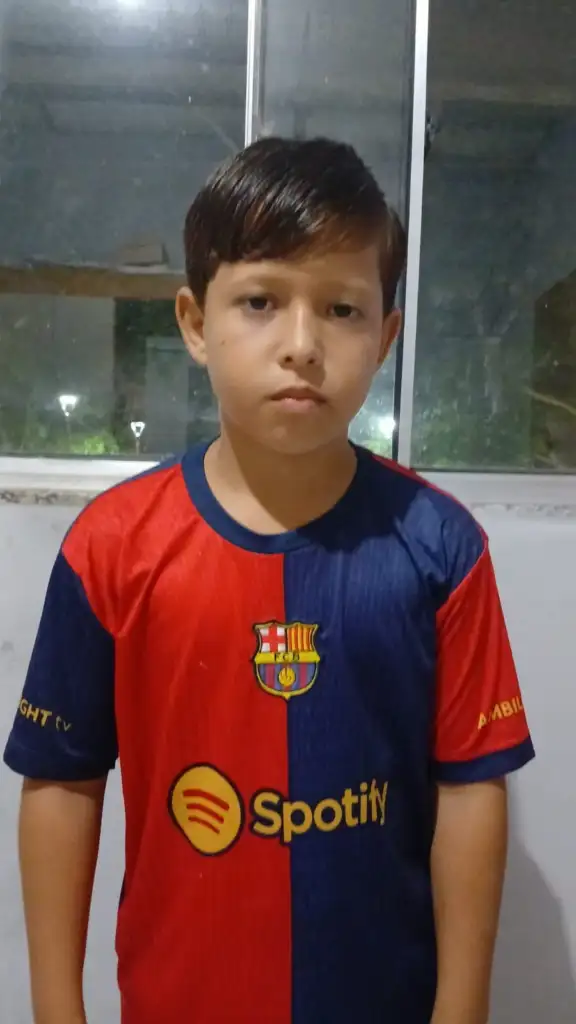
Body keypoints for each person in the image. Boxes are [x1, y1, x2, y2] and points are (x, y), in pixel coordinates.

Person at [4, 136, 534, 1024]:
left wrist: (462, 1008)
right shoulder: (112, 548)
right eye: (260, 301)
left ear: (386, 337)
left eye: (342, 308)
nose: (301, 345)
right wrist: (57, 1008)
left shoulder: (442, 548)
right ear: (194, 323)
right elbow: (62, 781)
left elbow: (470, 788)